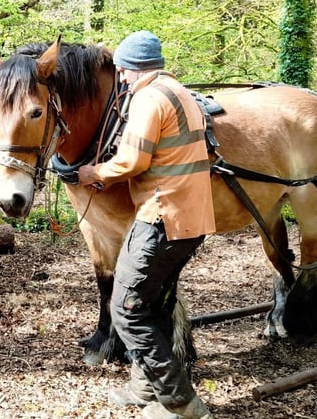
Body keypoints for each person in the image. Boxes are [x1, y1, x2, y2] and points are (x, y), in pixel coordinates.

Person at [78, 30, 215, 419]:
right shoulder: (179, 91)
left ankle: (179, 402)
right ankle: (144, 388)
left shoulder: (148, 98)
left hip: (162, 217)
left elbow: (133, 161)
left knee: (127, 308)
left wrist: (94, 172)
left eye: (123, 70)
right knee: (152, 301)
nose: (120, 78)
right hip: (187, 216)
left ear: (139, 68)